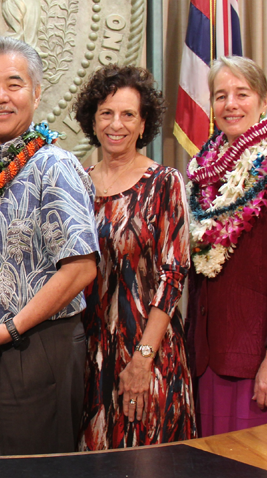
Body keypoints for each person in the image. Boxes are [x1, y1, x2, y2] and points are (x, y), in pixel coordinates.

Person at [0, 36, 99, 456]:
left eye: (13, 84)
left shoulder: (55, 165)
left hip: (35, 349)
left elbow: (82, 268)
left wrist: (10, 329)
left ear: (36, 91)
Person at [71, 65, 197, 450]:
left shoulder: (164, 182)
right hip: (87, 352)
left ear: (144, 125)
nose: (116, 124)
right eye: (107, 113)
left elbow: (173, 275)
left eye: (128, 115)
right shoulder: (75, 181)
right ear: (93, 120)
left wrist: (143, 359)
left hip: (147, 349)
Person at [187, 55, 267, 436]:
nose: (231, 105)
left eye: (242, 93)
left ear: (264, 99)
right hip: (208, 357)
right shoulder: (203, 173)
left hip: (257, 360)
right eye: (221, 96)